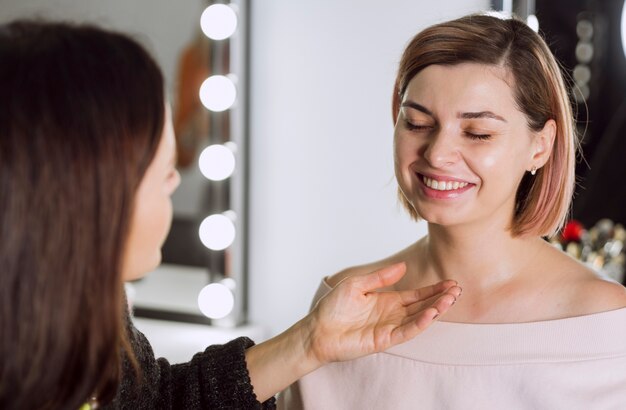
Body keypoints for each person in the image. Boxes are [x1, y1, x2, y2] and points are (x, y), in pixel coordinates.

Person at [0, 20, 462, 410]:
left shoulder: (83, 315)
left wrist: (309, 342)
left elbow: (155, 402)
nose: (176, 181)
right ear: (82, 192)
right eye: (161, 173)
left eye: (478, 132)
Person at [280, 13, 626, 409]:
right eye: (417, 123)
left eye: (478, 133)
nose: (438, 154)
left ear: (541, 146)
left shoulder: (602, 323)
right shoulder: (346, 304)